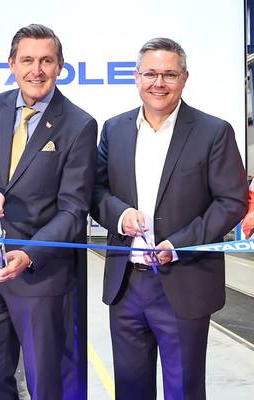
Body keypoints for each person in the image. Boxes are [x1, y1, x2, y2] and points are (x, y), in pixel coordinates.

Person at [91, 37, 247, 399]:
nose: (158, 83)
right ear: (136, 77)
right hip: (126, 285)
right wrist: (120, 215)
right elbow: (96, 191)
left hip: (184, 281)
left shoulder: (214, 132)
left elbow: (231, 201)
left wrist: (178, 244)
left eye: (169, 74)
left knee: (183, 389)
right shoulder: (114, 129)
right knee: (130, 389)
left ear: (184, 78)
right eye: (150, 74)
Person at [0, 24, 97, 400]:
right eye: (28, 60)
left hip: (40, 275)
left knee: (45, 381)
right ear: (12, 64)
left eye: (46, 61)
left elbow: (73, 210)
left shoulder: (79, 124)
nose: (37, 70)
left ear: (60, 66)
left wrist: (30, 253)